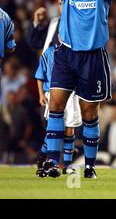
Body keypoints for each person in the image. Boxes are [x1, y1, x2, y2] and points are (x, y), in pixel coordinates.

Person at [43, 0, 115, 178]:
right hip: (66, 55)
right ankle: (52, 162)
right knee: (56, 107)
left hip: (93, 57)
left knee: (88, 114)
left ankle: (90, 167)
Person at [34, 44, 82, 176]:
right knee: (55, 131)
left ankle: (67, 165)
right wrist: (41, 94)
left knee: (69, 128)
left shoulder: (77, 50)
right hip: (53, 92)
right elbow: (40, 74)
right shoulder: (49, 52)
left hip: (72, 93)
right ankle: (44, 156)